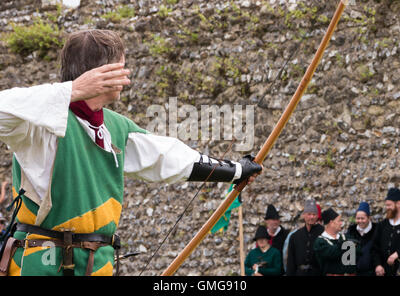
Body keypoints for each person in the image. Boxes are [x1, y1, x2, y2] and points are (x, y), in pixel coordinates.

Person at [0, 29, 262, 276]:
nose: (126, 75)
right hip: (41, 265)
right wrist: (73, 90)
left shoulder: (115, 127)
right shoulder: (39, 124)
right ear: (103, 73)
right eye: (120, 67)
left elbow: (168, 157)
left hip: (95, 264)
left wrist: (236, 170)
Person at [313, 208, 359, 276]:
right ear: (331, 223)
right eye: (339, 221)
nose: (341, 223)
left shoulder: (346, 237)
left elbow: (358, 250)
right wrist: (345, 246)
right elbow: (332, 253)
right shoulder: (320, 242)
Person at [286, 199, 324, 276]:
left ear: (317, 216)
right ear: (304, 215)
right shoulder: (295, 236)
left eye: (314, 214)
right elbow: (290, 262)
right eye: (309, 214)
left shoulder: (324, 233)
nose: (312, 217)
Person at [371, 187, 400, 276]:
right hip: (384, 272)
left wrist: (398, 254)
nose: (387, 208)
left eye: (389, 205)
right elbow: (374, 247)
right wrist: (378, 265)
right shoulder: (382, 225)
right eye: (386, 205)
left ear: (398, 203)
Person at [345, 202, 376, 276]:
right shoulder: (351, 231)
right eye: (358, 218)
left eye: (363, 218)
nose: (360, 221)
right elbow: (347, 252)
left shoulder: (376, 230)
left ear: (369, 218)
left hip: (372, 272)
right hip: (355, 272)